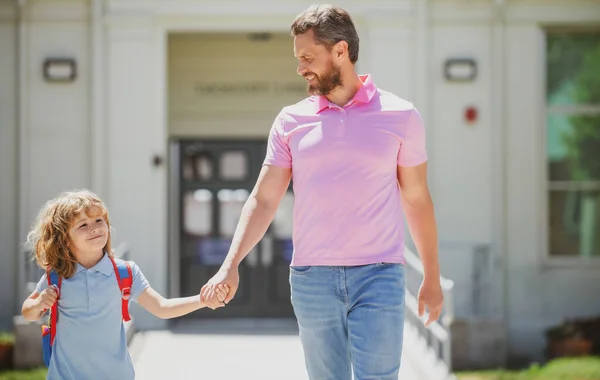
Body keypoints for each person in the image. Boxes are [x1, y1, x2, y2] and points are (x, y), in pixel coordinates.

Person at [201, 4, 444, 379]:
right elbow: (265, 199)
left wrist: (431, 274)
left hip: (379, 275)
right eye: (298, 59)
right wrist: (229, 265)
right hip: (312, 278)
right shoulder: (290, 121)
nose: (301, 68)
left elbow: (415, 198)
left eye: (308, 57)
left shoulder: (401, 116)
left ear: (341, 51)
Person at [21, 190, 228, 380]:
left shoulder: (125, 273)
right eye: (83, 225)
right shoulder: (57, 277)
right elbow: (28, 313)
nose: (94, 228)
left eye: (99, 220)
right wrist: (40, 302)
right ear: (65, 239)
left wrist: (202, 300)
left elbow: (162, 308)